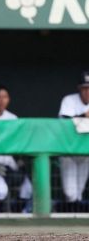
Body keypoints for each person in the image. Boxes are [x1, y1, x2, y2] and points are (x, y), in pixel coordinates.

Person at [0, 84, 32, 212]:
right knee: (1, 191)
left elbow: (17, 143)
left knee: (28, 188)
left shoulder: (12, 118)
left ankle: (16, 214)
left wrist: (19, 161)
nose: (2, 100)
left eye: (5, 97)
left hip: (9, 160)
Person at [57, 71, 89, 212]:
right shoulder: (69, 100)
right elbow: (63, 121)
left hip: (85, 154)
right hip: (68, 152)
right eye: (85, 88)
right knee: (71, 193)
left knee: (79, 193)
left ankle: (74, 231)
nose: (87, 91)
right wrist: (83, 116)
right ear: (79, 88)